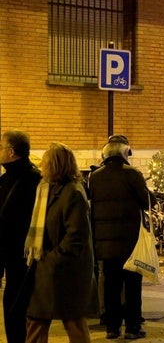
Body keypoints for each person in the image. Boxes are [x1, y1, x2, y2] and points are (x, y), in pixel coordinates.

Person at [24, 142, 97, 343]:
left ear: (56, 165)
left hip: (66, 271)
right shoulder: (46, 189)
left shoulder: (72, 192)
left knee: (73, 321)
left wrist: (53, 258)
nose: (41, 166)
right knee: (36, 320)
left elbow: (77, 236)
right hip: (46, 268)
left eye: (45, 162)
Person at [89, 135, 151, 340]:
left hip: (106, 243)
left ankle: (112, 328)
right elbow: (146, 201)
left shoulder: (95, 177)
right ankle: (133, 326)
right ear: (125, 153)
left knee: (111, 285)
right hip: (130, 241)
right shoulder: (132, 173)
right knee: (133, 285)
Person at [0, 130, 42, 343]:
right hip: (10, 254)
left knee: (19, 308)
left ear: (11, 151)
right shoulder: (7, 178)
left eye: (1, 147)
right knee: (11, 306)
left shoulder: (33, 179)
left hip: (24, 256)